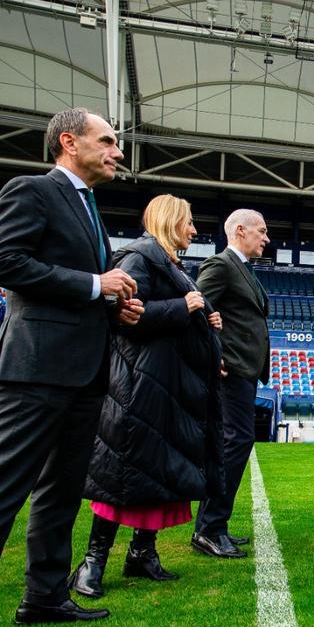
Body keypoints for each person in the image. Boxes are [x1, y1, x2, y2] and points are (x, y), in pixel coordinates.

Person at [0, 107, 143, 627]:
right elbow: (1, 262)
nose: (117, 152)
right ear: (69, 142)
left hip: (80, 371)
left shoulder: (89, 206)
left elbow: (81, 288)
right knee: (2, 489)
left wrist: (111, 304)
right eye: (108, 141)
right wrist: (91, 283)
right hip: (34, 369)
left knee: (61, 490)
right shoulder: (31, 189)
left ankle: (46, 595)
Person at [70, 195, 225, 597]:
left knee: (157, 470)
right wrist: (182, 305)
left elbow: (176, 317)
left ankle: (142, 553)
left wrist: (205, 318)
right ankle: (92, 562)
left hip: (166, 387)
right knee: (122, 470)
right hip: (139, 387)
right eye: (189, 222)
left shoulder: (172, 264)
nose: (193, 230)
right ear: (171, 221)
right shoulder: (137, 257)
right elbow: (126, 320)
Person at [190, 208, 271, 559]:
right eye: (262, 231)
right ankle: (210, 527)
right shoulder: (221, 265)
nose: (266, 238)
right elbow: (195, 309)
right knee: (235, 441)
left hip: (244, 370)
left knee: (234, 441)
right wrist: (214, 353)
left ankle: (212, 525)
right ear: (240, 230)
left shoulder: (243, 269)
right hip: (230, 370)